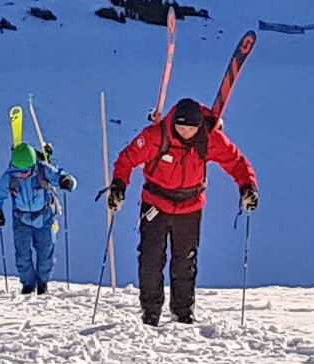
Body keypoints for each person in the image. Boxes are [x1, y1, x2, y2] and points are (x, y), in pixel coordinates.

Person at [101, 96, 256, 326]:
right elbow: (127, 159)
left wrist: (248, 186)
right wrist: (119, 185)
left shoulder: (210, 138)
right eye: (181, 128)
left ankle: (183, 313)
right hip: (155, 203)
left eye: (191, 129)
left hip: (191, 206)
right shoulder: (156, 135)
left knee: (186, 262)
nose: (186, 133)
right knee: (151, 259)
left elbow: (236, 162)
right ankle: (151, 312)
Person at [0, 141, 70, 294]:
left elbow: (60, 176)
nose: (22, 174)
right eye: (18, 171)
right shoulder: (10, 177)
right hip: (21, 220)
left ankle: (43, 284)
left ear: (33, 165)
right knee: (22, 255)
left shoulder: (43, 170)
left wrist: (67, 181)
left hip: (45, 218)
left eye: (26, 171)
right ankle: (28, 285)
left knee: (45, 253)